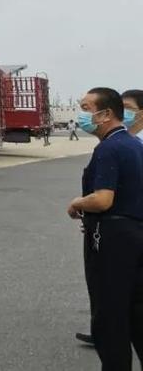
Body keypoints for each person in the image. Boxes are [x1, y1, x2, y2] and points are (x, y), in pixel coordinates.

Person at [67, 87, 143, 369]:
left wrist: (77, 203)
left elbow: (102, 199)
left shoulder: (109, 148)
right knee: (136, 313)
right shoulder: (134, 145)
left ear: (106, 114)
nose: (81, 114)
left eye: (86, 108)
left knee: (109, 317)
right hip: (136, 234)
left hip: (113, 240)